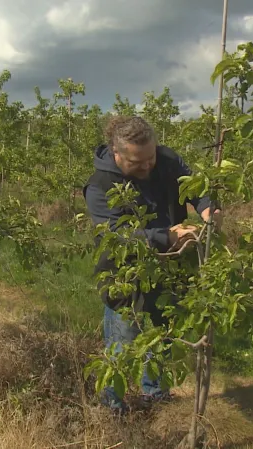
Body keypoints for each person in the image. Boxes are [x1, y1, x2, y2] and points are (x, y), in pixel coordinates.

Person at [82, 115, 222, 413]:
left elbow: (195, 187)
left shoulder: (167, 160)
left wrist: (208, 206)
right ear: (117, 154)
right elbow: (117, 236)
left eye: (151, 157)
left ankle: (155, 397)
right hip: (123, 272)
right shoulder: (99, 186)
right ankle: (112, 407)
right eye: (137, 162)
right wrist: (166, 237)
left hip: (169, 267)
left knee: (164, 334)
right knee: (124, 341)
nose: (147, 166)